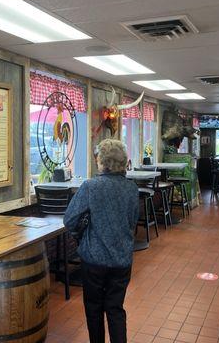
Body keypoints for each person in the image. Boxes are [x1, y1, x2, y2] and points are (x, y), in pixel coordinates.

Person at [64, 139, 139, 343]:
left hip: (94, 259)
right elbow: (133, 222)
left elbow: (69, 220)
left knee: (94, 310)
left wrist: (82, 237)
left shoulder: (90, 186)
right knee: (115, 309)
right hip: (122, 259)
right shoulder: (131, 189)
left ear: (103, 162)